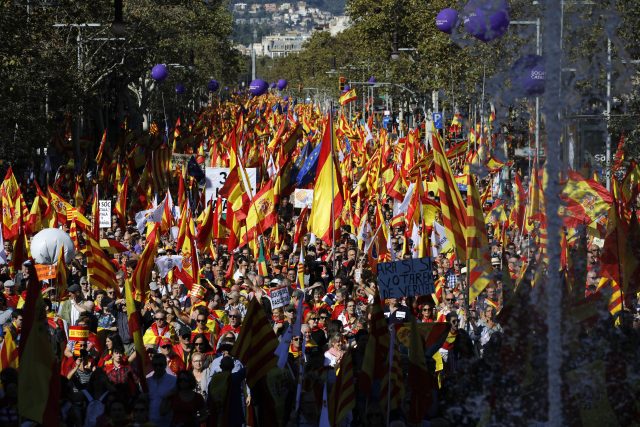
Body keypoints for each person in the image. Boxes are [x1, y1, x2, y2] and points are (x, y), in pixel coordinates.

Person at [147, 353, 177, 427]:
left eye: (160, 364)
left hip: (167, 423)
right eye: (155, 365)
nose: (158, 367)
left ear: (165, 365)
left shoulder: (174, 381)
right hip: (149, 423)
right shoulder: (147, 381)